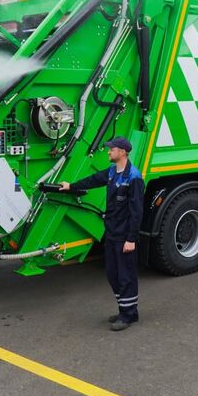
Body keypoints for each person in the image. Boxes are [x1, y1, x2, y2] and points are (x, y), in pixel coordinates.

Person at [61, 136, 144, 331]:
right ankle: (127, 310)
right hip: (112, 232)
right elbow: (93, 180)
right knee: (112, 274)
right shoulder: (112, 172)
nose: (108, 151)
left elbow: (137, 211)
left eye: (111, 149)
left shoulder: (133, 177)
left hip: (124, 236)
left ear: (121, 152)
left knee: (125, 276)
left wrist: (131, 239)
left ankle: (128, 315)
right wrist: (71, 186)